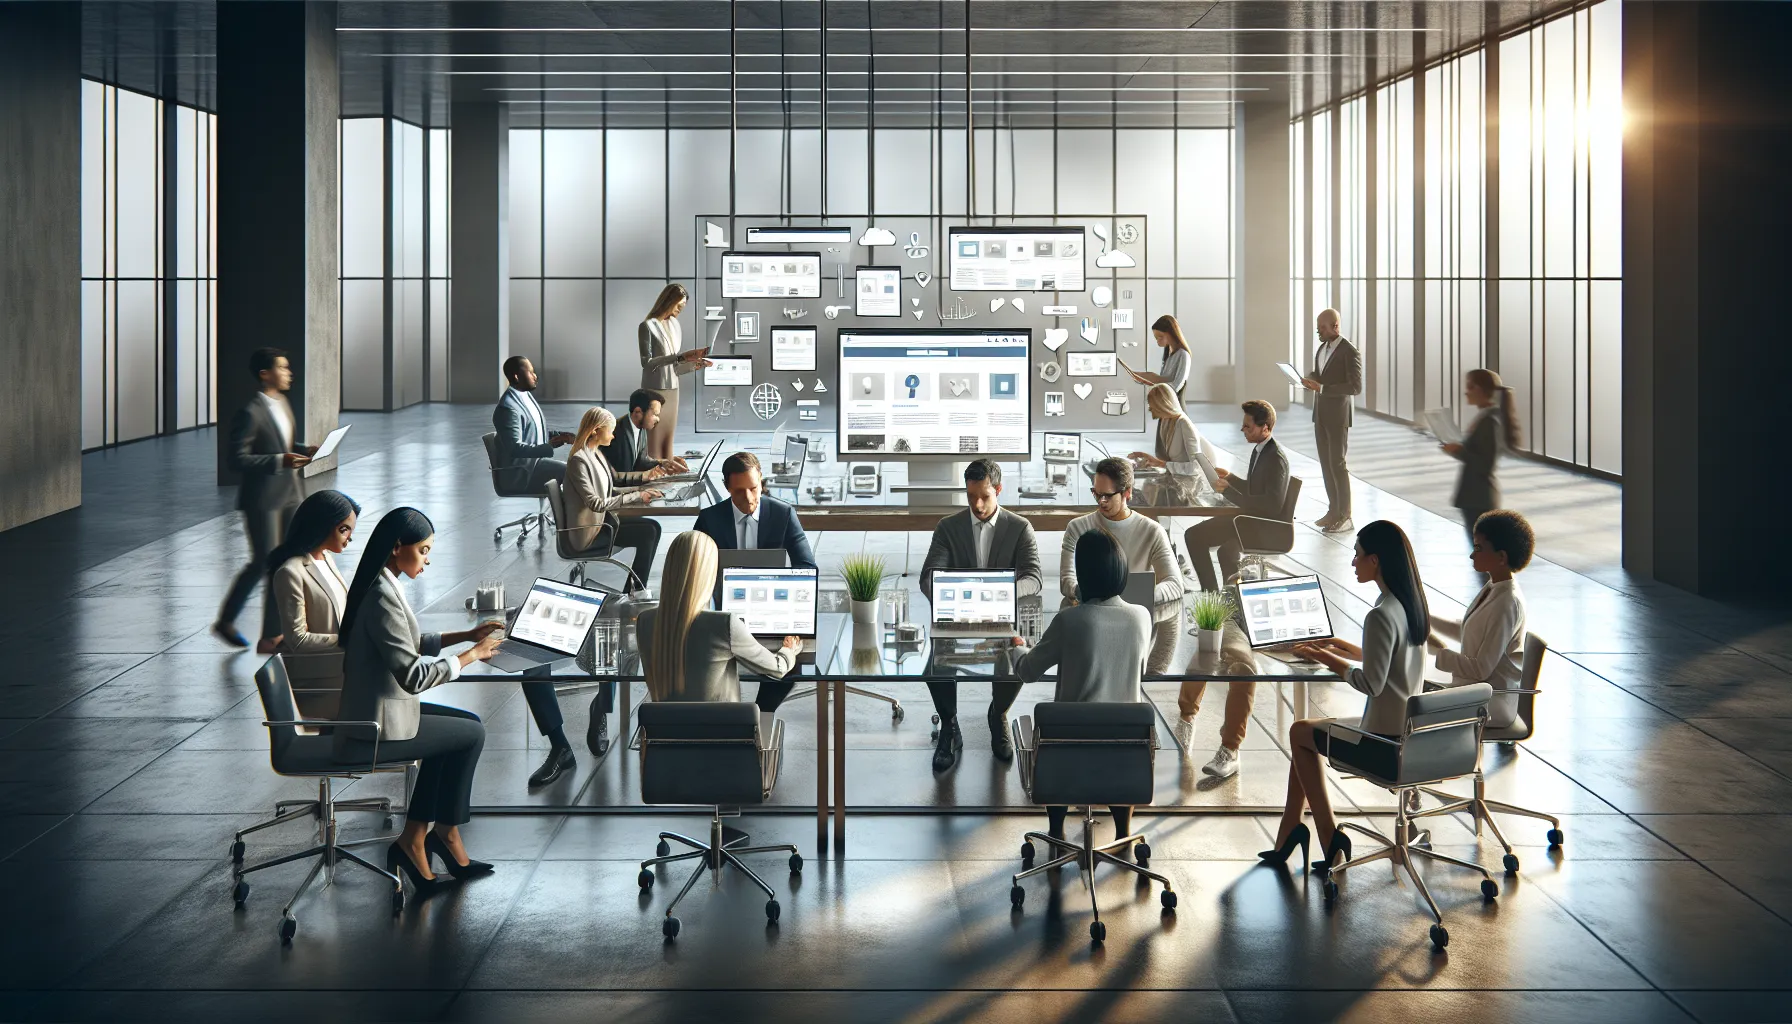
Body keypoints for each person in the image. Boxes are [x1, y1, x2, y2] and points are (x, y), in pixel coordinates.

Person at [334, 507, 504, 894]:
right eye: (424, 550)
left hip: (383, 707)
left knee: (468, 727)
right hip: (376, 722)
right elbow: (413, 676)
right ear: (398, 548)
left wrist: (465, 635)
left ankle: (426, 836)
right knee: (468, 736)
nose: (428, 559)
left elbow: (406, 643)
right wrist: (470, 656)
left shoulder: (381, 584)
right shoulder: (381, 597)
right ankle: (434, 836)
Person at [1258, 520, 1428, 874]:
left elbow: (1371, 683)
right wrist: (1338, 646)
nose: (1353, 562)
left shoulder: (1380, 615)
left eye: (1357, 554)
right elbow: (1389, 662)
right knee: (1304, 734)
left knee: (1299, 733)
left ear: (1376, 561)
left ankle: (1329, 837)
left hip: (1382, 743)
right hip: (1409, 735)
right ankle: (1288, 833)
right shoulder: (1408, 607)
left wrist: (1324, 657)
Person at [517, 407, 669, 788]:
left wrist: (642, 485)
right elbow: (599, 503)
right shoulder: (579, 461)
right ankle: (637, 591)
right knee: (649, 532)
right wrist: (637, 496)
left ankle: (598, 710)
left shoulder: (594, 454)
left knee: (615, 648)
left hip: (604, 523)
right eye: (611, 431)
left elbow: (613, 482)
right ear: (597, 430)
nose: (616, 436)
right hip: (588, 533)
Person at [1010, 530, 1152, 845]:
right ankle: (1124, 834)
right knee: (1118, 730)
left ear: (1083, 576)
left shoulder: (1069, 621)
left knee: (1055, 733)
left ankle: (1057, 830)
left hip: (1066, 761)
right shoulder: (1141, 618)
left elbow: (1029, 671)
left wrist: (1015, 646)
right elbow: (1139, 665)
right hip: (1124, 760)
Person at [919, 459, 1044, 771]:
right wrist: (962, 598)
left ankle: (998, 713)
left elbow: (1034, 578)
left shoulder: (1019, 528)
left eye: (984, 496)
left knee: (1019, 657)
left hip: (1002, 617)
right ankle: (949, 726)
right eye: (971, 495)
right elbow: (928, 577)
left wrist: (997, 594)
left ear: (998, 490)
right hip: (960, 616)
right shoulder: (949, 527)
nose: (977, 503)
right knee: (934, 667)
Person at [213, 347, 315, 648]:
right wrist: (278, 460)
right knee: (263, 563)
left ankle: (272, 635)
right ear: (264, 374)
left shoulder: (282, 403)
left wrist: (301, 449)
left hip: (291, 495)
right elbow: (236, 459)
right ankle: (228, 621)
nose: (289, 373)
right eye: (282, 368)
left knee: (284, 563)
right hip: (263, 500)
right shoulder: (251, 412)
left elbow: (279, 443)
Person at [636, 531, 802, 712]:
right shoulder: (724, 624)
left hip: (664, 735)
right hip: (722, 735)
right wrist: (789, 649)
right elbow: (777, 668)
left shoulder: (645, 621)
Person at [1061, 457, 1184, 674]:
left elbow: (1175, 584)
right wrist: (1089, 593)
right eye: (1096, 493)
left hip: (1134, 627)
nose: (1100, 501)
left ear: (1127, 492)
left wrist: (1141, 597)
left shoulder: (1152, 531)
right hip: (1090, 621)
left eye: (1107, 495)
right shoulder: (1077, 527)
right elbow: (1066, 580)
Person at [256, 490, 359, 712]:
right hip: (322, 679)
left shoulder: (326, 559)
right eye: (344, 530)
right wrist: (349, 641)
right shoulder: (291, 572)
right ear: (322, 525)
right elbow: (298, 639)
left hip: (342, 668)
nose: (350, 537)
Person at [1428, 510, 1532, 730]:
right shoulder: (1495, 587)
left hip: (1491, 702)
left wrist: (1439, 652)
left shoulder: (1506, 604)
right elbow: (1469, 630)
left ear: (1501, 557)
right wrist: (1426, 619)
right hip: (1478, 691)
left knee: (1415, 698)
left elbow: (1481, 669)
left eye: (1478, 548)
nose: (1471, 555)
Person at [1181, 400, 1292, 591]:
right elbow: (1255, 488)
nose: (1242, 430)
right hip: (1250, 520)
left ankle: (1221, 597)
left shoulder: (1275, 459)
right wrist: (1231, 478)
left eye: (1248, 427)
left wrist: (1228, 491)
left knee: (1202, 540)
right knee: (1199, 538)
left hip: (1262, 526)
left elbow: (1271, 505)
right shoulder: (1261, 450)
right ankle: (1216, 595)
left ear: (1265, 428)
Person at [694, 451, 818, 583]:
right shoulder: (709, 520)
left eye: (753, 488)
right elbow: (692, 570)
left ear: (760, 480)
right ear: (727, 487)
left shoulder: (783, 515)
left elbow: (807, 568)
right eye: (739, 491)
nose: (748, 498)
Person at [1301, 308, 1362, 534]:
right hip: (1321, 415)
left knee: (1337, 464)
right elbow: (1320, 374)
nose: (1319, 331)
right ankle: (1333, 511)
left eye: (1322, 327)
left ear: (1335, 326)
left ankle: (1345, 516)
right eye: (1318, 327)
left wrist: (1323, 388)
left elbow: (1355, 387)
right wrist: (1310, 380)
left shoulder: (1350, 352)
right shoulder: (1322, 348)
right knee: (1326, 465)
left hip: (1338, 416)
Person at [638, 284, 713, 462]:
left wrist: (693, 364)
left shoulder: (674, 326)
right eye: (678, 306)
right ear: (669, 301)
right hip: (654, 388)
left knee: (668, 435)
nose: (680, 310)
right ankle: (653, 468)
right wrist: (679, 357)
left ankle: (668, 464)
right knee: (654, 435)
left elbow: (674, 367)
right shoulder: (647, 326)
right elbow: (646, 363)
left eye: (683, 307)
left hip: (673, 388)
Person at [1444, 369, 1520, 543]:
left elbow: (1485, 464)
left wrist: (1459, 451)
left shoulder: (1489, 422)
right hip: (1474, 497)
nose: (1466, 391)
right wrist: (1455, 450)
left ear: (1481, 389)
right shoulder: (1485, 417)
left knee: (1483, 556)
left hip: (1478, 498)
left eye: (1470, 386)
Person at [493, 356, 576, 493]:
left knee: (575, 470)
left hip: (534, 464)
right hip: (522, 474)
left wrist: (561, 436)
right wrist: (548, 447)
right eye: (530, 372)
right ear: (517, 377)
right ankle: (568, 513)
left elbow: (534, 431)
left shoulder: (525, 396)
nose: (535, 376)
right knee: (571, 472)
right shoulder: (508, 408)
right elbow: (514, 448)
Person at [1129, 382, 1215, 478]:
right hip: (1180, 477)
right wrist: (1145, 456)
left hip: (1195, 481)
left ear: (1161, 404)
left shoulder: (1184, 424)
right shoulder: (1166, 421)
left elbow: (1196, 468)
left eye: (1151, 404)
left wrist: (1160, 464)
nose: (1149, 408)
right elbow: (1169, 460)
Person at [603, 388, 687, 477]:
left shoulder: (641, 428)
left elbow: (640, 462)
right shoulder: (614, 432)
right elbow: (613, 475)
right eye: (654, 414)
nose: (657, 419)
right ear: (638, 412)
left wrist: (663, 462)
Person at [1125, 315, 1193, 403]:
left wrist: (1155, 384)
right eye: (1156, 338)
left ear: (1171, 333)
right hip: (1164, 403)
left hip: (1173, 405)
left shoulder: (1183, 355)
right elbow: (1164, 379)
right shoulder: (1169, 355)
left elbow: (1177, 385)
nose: (1157, 341)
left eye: (1160, 337)